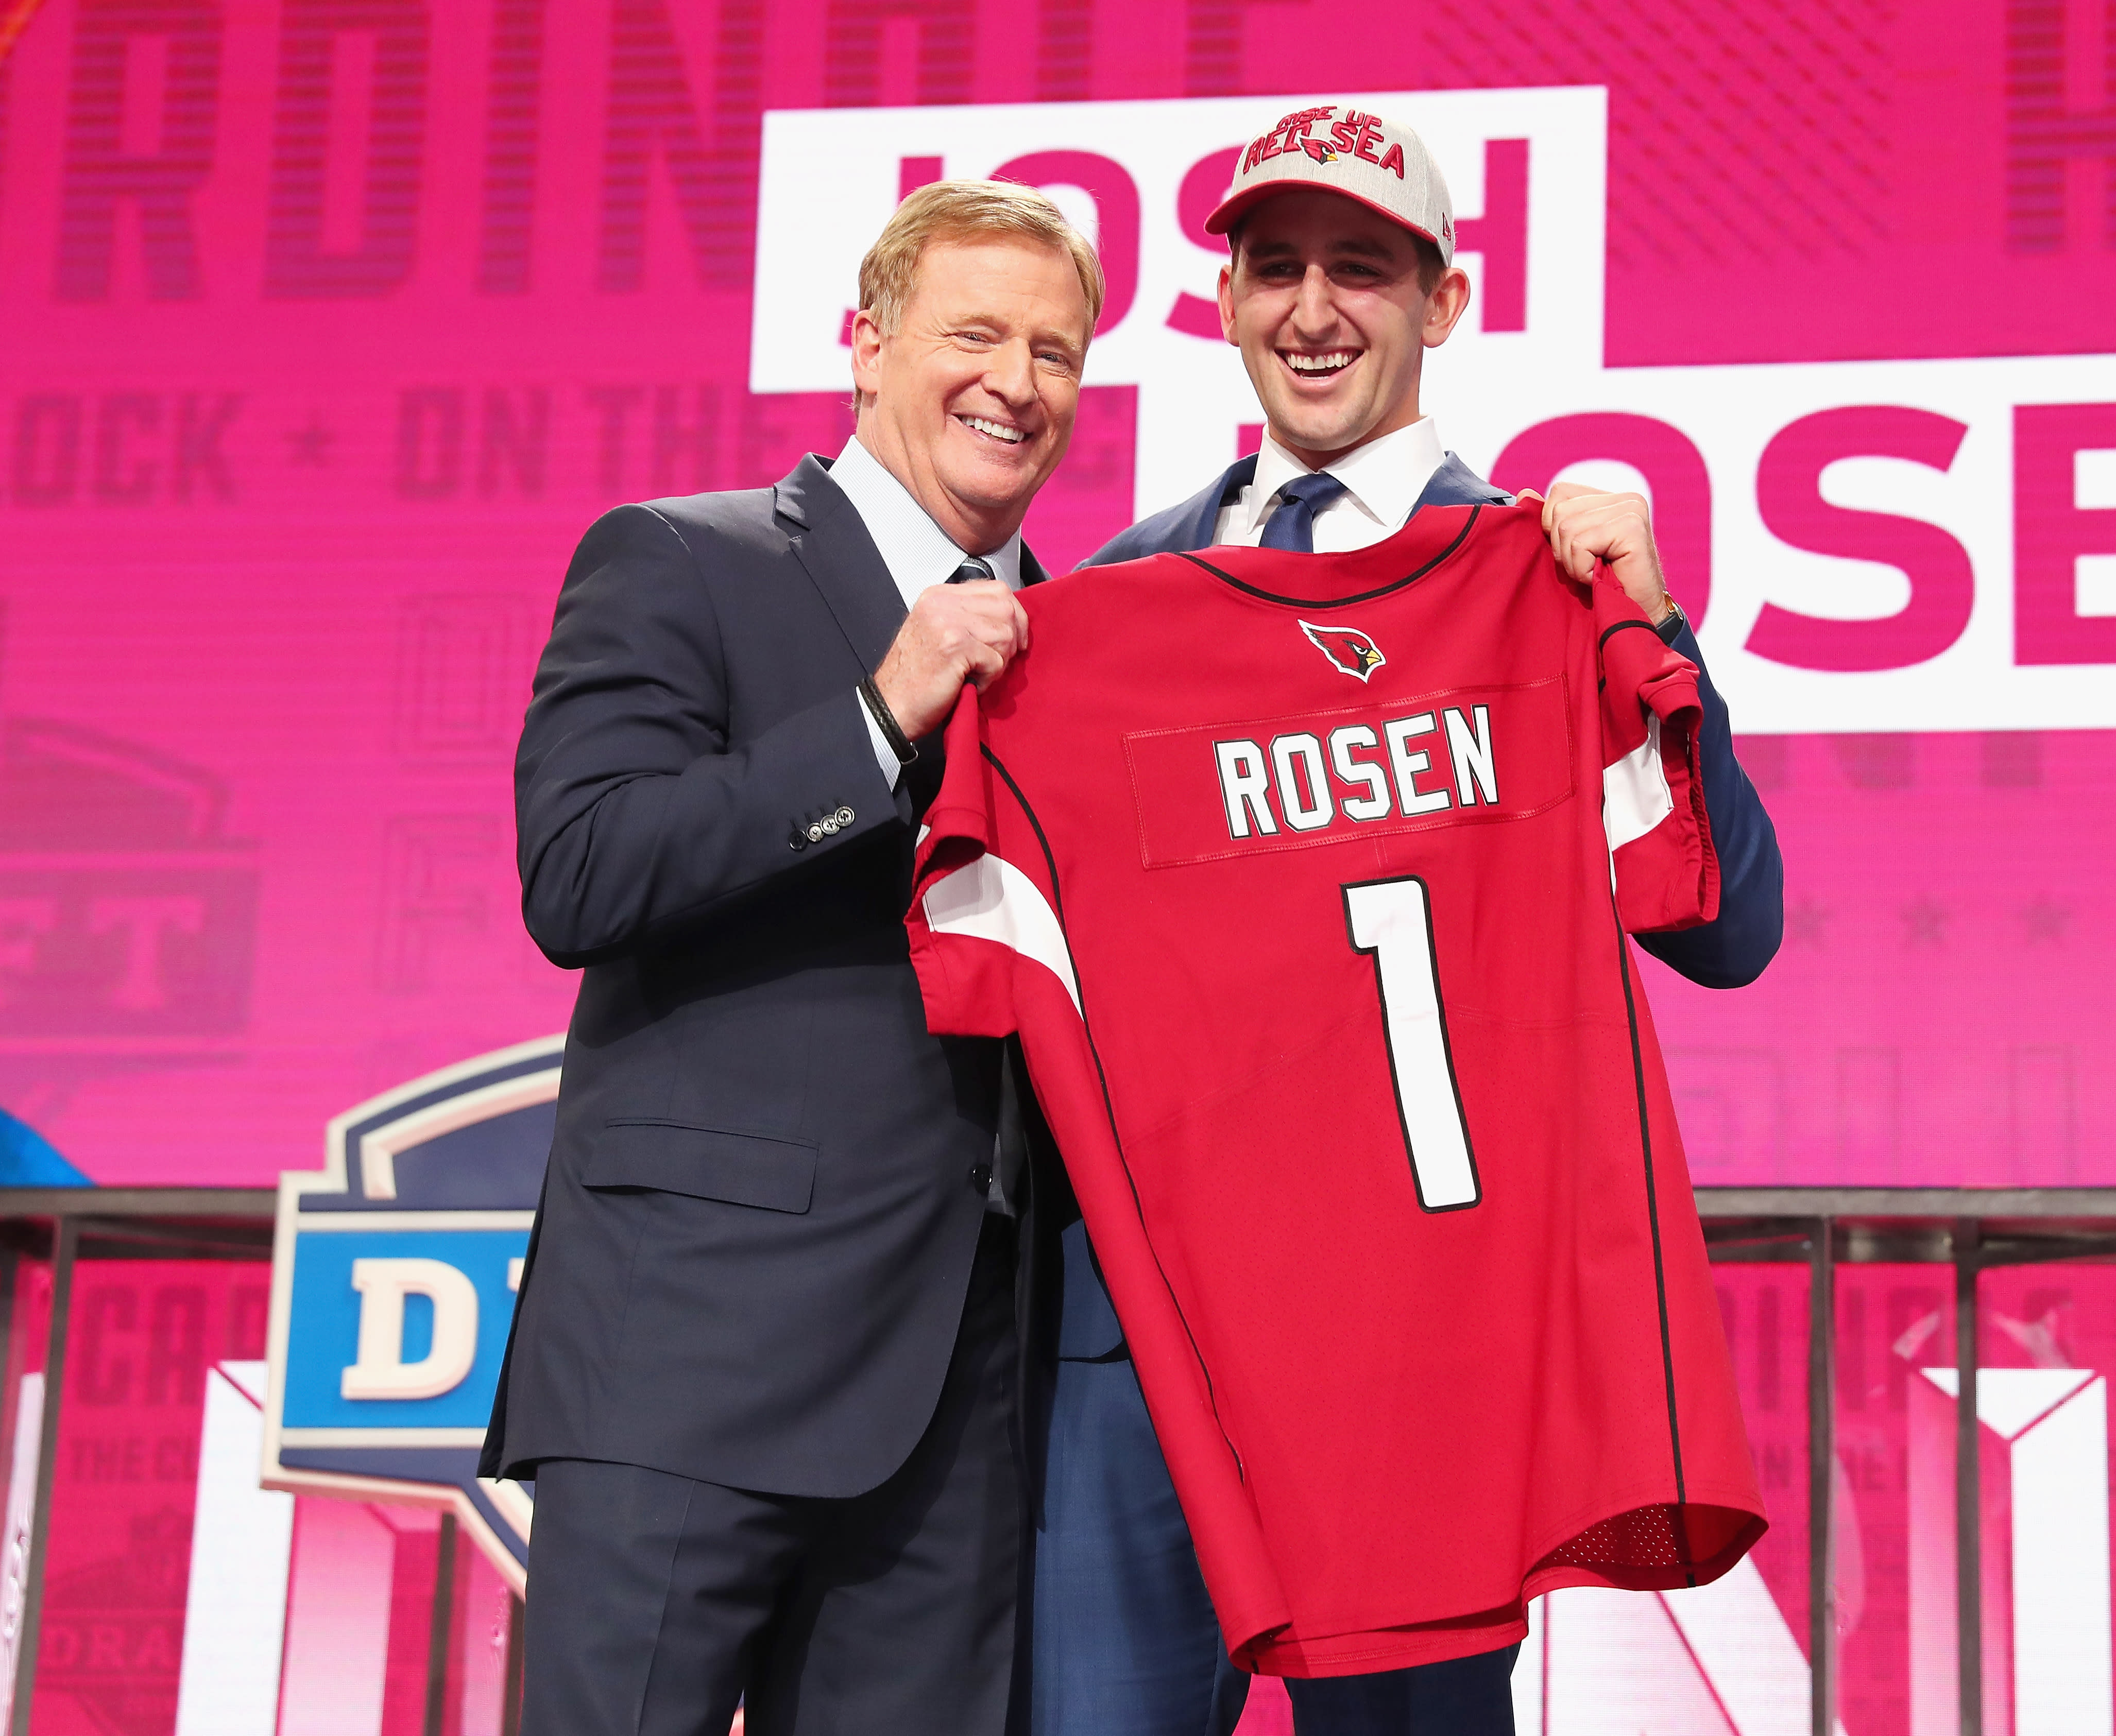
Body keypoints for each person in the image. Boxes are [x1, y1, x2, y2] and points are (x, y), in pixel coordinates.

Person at [1028, 107, 1784, 1736]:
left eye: (1362, 269)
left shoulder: (1548, 579)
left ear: (1442, 304)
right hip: (1145, 1356)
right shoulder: (1091, 614)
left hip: (1419, 1352)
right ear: (1222, 301)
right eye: (1276, 266)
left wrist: (1649, 622)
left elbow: (1732, 929)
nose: (1313, 309)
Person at [481, 180, 1101, 1736]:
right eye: (975, 333)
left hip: (962, 1405)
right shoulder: (683, 560)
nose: (1016, 383)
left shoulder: (1082, 647)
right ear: (866, 344)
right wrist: (879, 720)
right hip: (693, 1363)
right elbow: (582, 870)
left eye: (1057, 350)